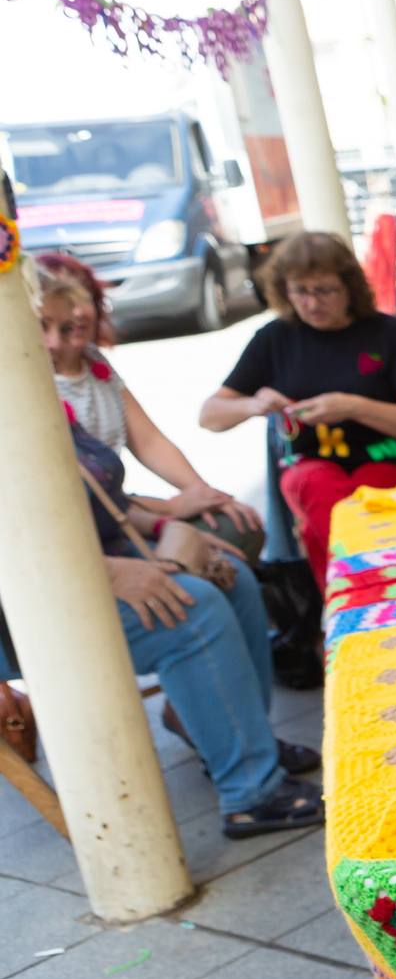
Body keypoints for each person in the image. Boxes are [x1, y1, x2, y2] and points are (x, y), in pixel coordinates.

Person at [21, 263, 322, 838]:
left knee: (231, 574)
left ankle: (238, 744)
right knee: (195, 608)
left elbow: (103, 498)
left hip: (88, 559)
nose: (57, 342)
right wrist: (113, 568)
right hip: (33, 603)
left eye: (73, 325)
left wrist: (180, 520)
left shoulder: (52, 386)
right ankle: (249, 792)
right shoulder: (22, 398)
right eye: (43, 327)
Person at [199, 231, 396, 585]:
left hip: (391, 458)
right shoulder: (275, 338)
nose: (311, 303)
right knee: (322, 493)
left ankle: (353, 597)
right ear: (284, 290)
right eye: (300, 291)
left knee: (370, 494)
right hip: (312, 464)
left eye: (324, 291)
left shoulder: (387, 333)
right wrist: (255, 403)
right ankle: (358, 594)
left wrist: (354, 407)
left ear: (349, 287)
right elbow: (210, 415)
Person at [36, 254, 264, 553]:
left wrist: (201, 492)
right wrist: (169, 508)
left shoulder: (94, 362)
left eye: (84, 297)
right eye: (47, 321)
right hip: (100, 526)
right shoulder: (35, 387)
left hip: (123, 508)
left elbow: (148, 441)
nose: (79, 312)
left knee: (239, 526)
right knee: (214, 573)